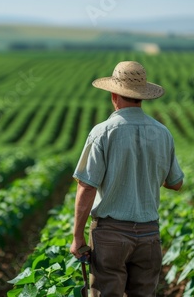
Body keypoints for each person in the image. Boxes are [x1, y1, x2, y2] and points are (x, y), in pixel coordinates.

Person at [69, 61, 184, 296]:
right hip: (149, 235)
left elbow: (87, 187)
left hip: (111, 235)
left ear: (114, 94)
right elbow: (176, 183)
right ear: (142, 97)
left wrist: (77, 237)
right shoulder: (162, 133)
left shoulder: (102, 132)